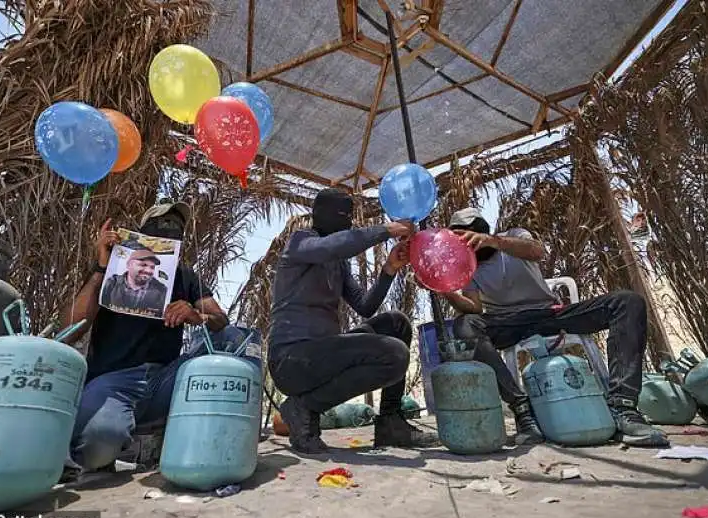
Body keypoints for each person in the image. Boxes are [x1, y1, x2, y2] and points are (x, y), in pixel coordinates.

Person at [442, 207, 668, 447]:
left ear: (480, 230)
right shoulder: (467, 267)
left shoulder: (513, 236)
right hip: (507, 322)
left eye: (467, 235)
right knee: (464, 325)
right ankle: (523, 411)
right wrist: (445, 290)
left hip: (549, 313)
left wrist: (494, 242)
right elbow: (474, 308)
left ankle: (623, 407)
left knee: (626, 302)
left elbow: (536, 251)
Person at [59, 202, 246, 475]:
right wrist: (101, 267)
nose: (171, 229)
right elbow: (70, 330)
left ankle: (211, 438)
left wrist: (197, 315)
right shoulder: (111, 270)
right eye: (162, 223)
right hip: (115, 381)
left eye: (177, 226)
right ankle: (124, 438)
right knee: (95, 447)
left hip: (166, 379)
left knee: (232, 338)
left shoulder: (185, 276)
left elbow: (221, 321)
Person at [268, 188, 440, 454]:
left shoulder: (339, 265)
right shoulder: (300, 243)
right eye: (343, 217)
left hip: (325, 354)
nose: (348, 223)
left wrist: (389, 269)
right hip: (291, 361)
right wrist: (385, 230)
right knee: (394, 354)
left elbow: (366, 306)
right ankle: (304, 407)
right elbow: (334, 244)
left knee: (397, 324)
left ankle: (391, 422)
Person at [100, 247, 167, 317]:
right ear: (129, 265)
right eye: (143, 265)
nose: (148, 270)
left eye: (152, 267)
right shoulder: (112, 282)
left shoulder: (161, 289)